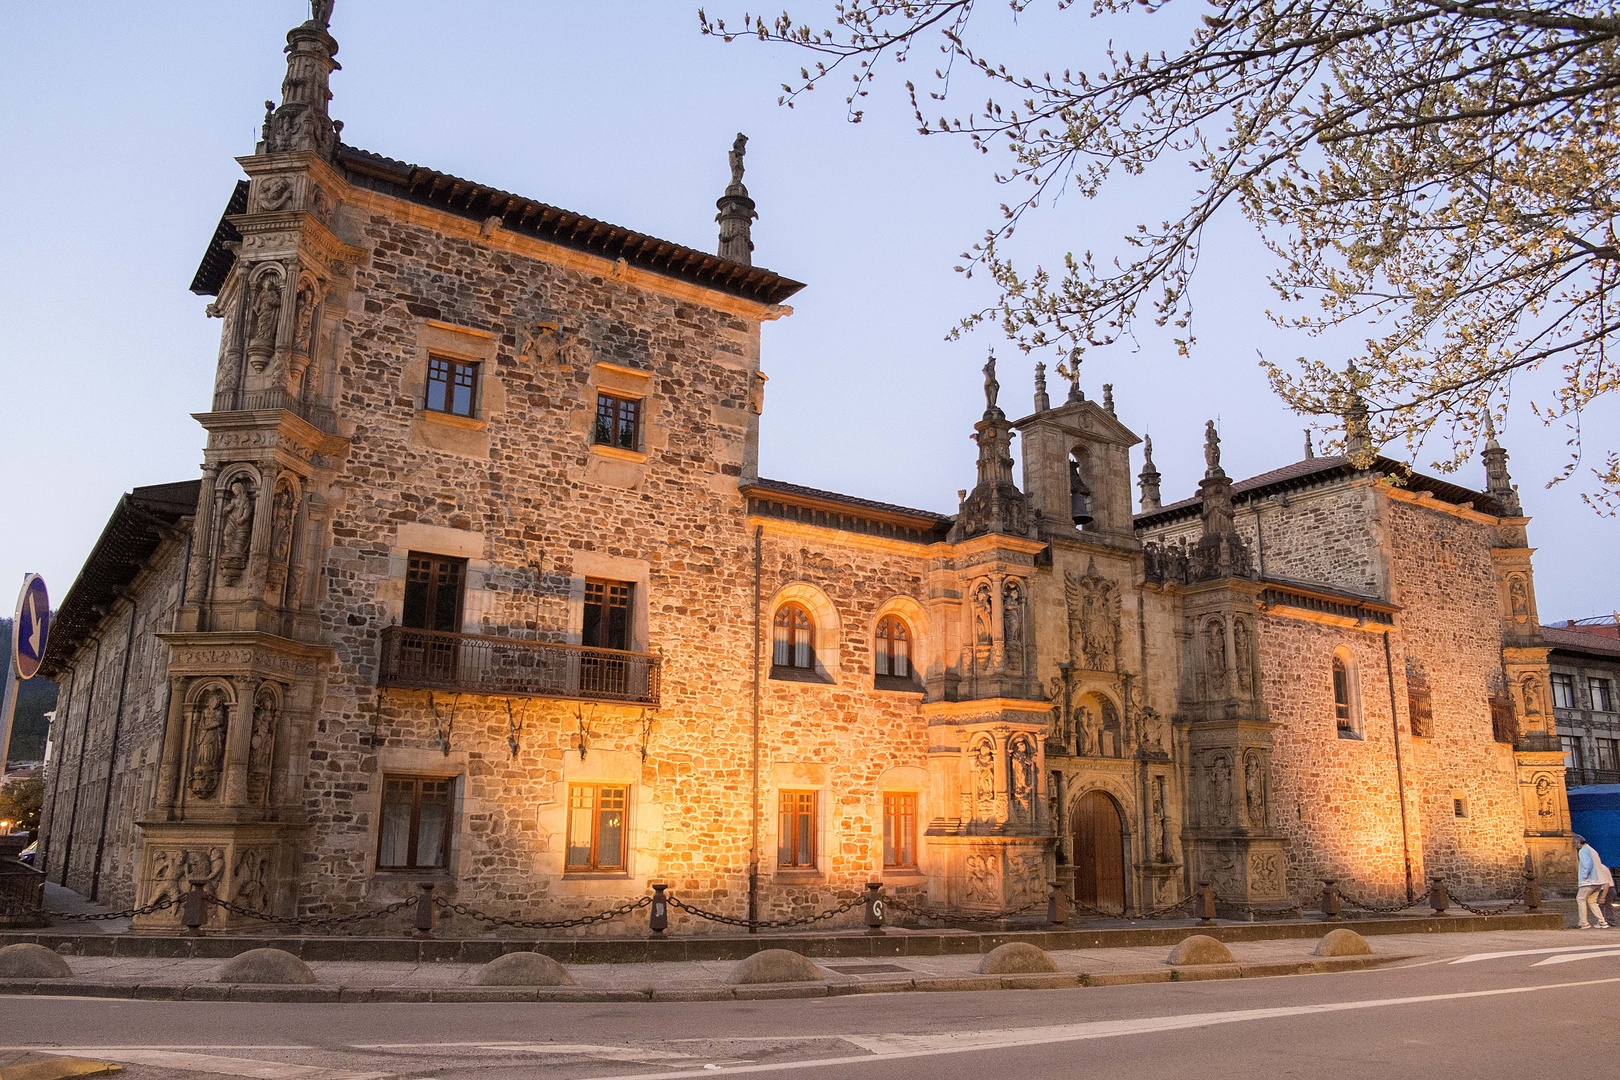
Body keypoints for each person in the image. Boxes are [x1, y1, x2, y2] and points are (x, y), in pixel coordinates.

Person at [1575, 835, 1612, 929]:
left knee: (1580, 899)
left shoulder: (1583, 851)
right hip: (1598, 881)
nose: (1575, 846)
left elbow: (1587, 864)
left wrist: (1584, 876)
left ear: (1579, 843)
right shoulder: (1592, 850)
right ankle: (1602, 921)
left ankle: (1584, 922)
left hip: (1589, 881)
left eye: (1575, 844)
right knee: (1592, 901)